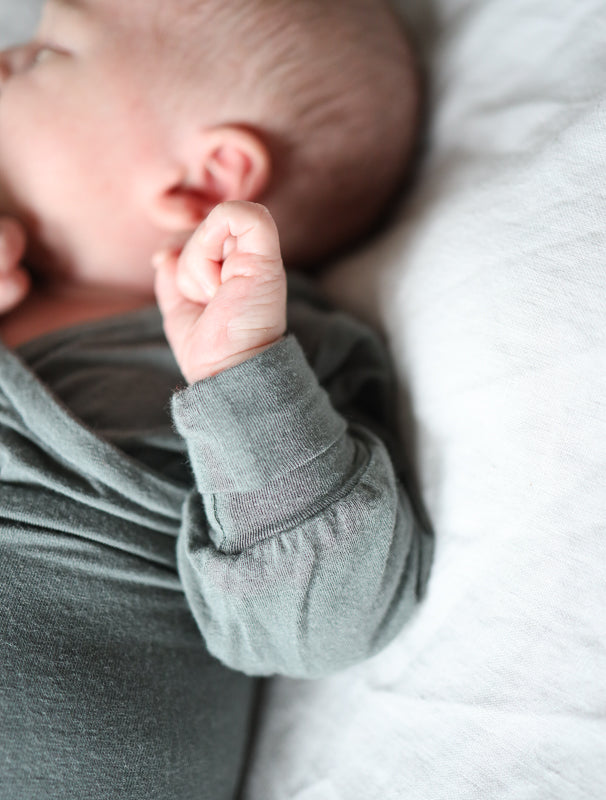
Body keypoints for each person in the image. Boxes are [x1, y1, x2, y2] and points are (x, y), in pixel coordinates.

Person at [0, 0, 432, 797]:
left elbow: (322, 628)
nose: (2, 61)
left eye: (43, 56)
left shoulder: (282, 369)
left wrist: (243, 374)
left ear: (206, 181)